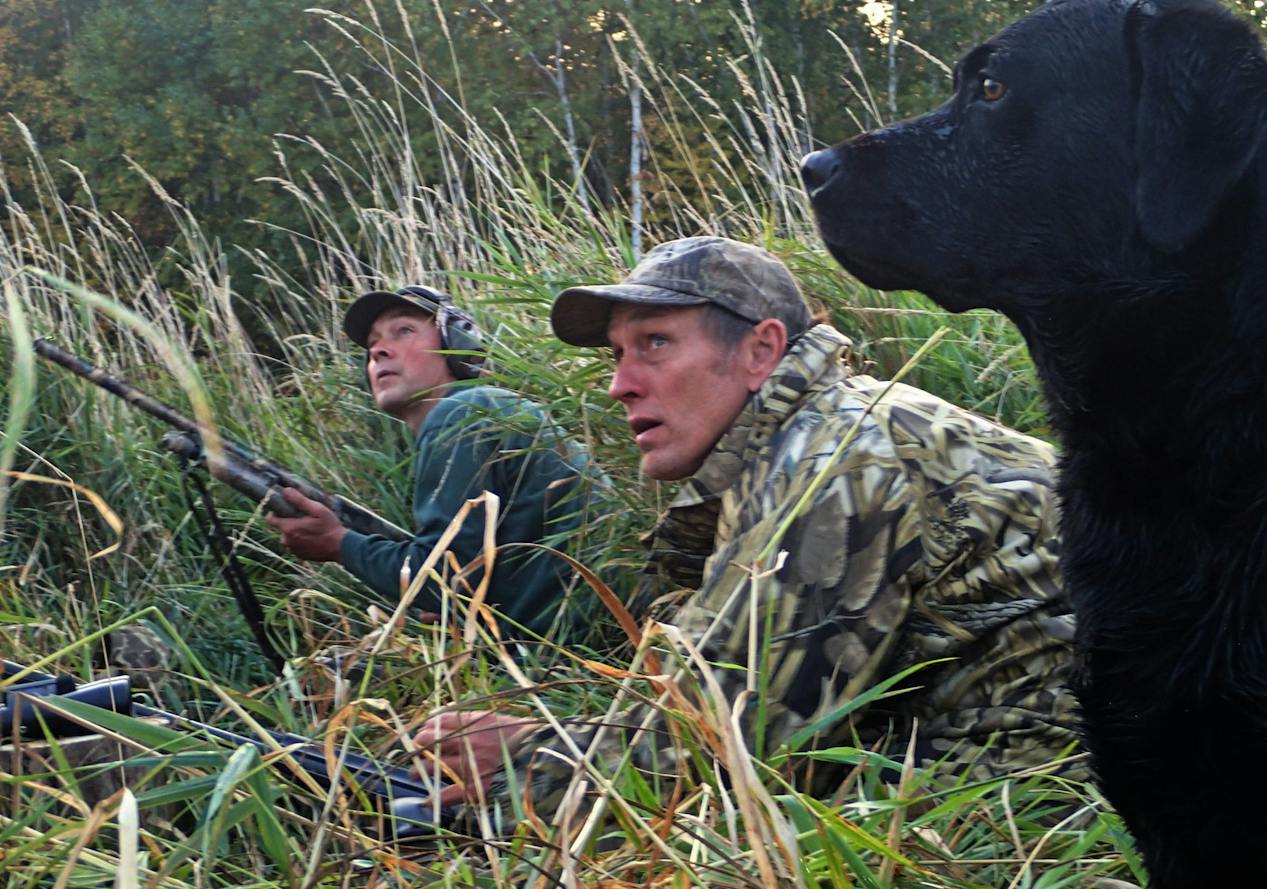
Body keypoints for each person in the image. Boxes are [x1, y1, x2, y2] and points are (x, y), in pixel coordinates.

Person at [411, 239, 1080, 821]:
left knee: (817, 855)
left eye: (655, 344)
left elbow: (729, 757)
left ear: (762, 350)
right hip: (1066, 752)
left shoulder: (833, 460)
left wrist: (525, 763)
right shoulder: (815, 437)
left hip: (1067, 795)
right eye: (618, 353)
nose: (619, 384)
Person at [267, 284, 596, 640]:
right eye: (372, 343)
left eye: (404, 330)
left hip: (574, 658)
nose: (377, 350)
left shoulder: (462, 411)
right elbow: (471, 580)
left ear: (458, 346)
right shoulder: (489, 408)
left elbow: (442, 578)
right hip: (593, 641)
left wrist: (338, 543)